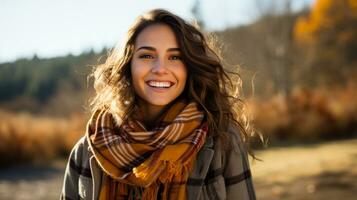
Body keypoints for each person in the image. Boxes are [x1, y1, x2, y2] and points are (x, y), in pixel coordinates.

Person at [61, 8, 256, 200]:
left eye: (175, 57)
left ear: (189, 67)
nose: (160, 68)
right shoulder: (89, 148)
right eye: (147, 56)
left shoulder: (223, 141)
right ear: (129, 64)